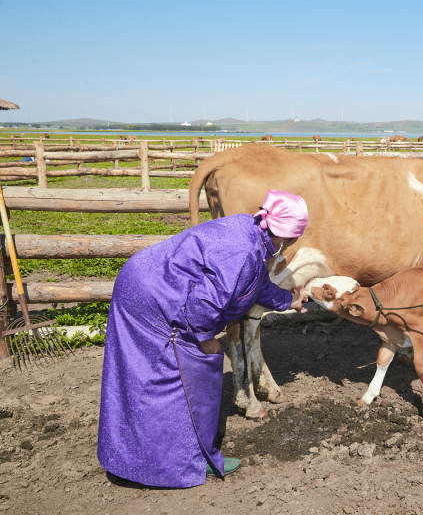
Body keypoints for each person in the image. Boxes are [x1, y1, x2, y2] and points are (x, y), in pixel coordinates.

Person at [97, 190, 309, 489]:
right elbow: (203, 305)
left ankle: (134, 457)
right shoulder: (244, 252)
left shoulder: (251, 231)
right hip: (155, 299)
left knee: (149, 374)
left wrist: (289, 300)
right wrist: (205, 339)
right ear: (286, 236)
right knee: (185, 375)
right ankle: (181, 464)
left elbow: (256, 282)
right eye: (295, 238)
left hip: (147, 283)